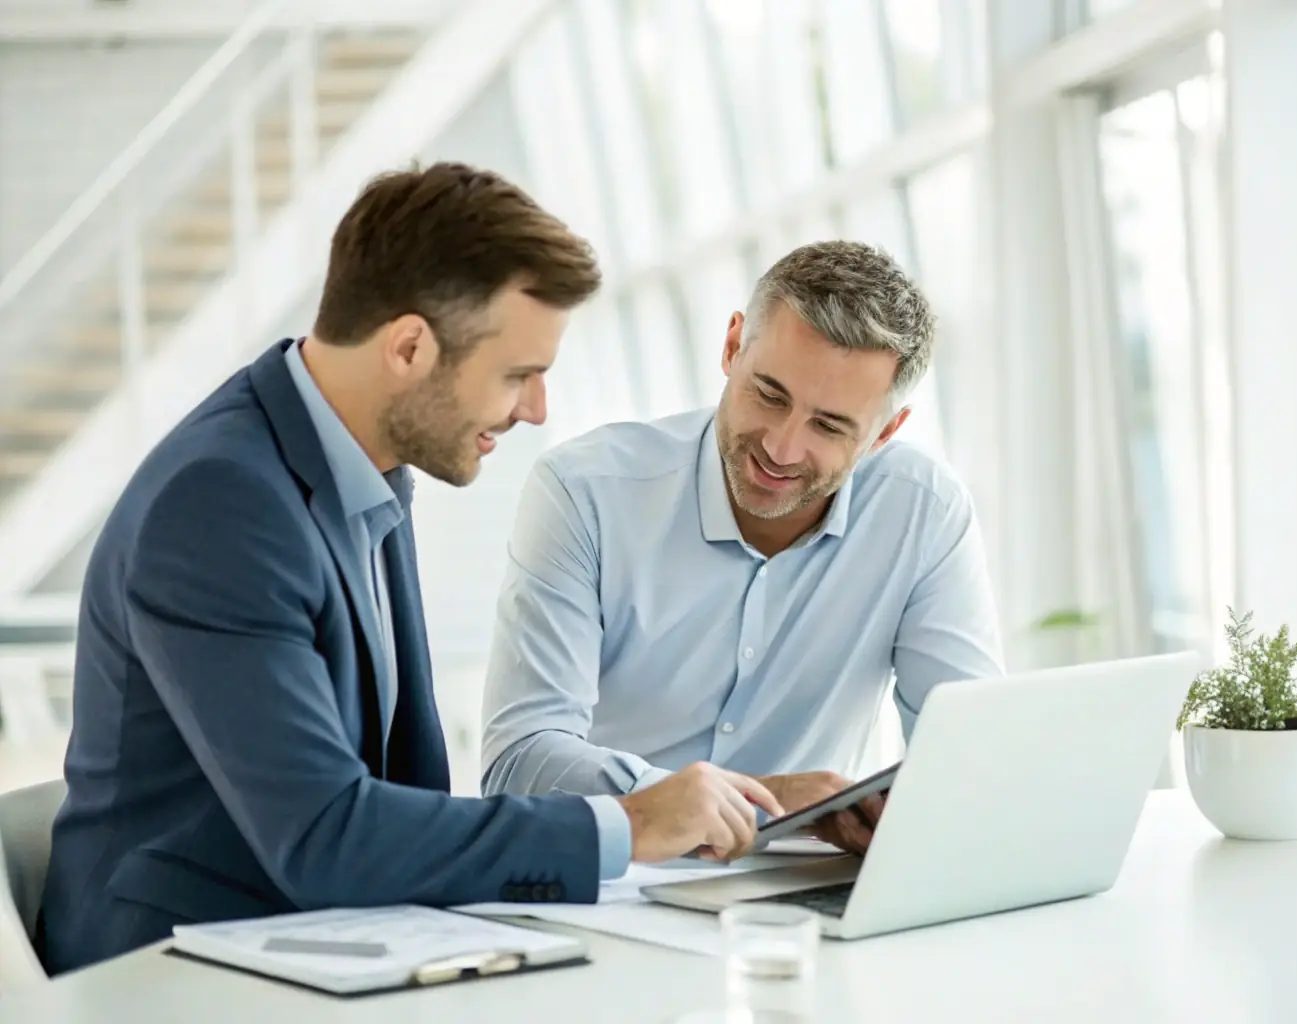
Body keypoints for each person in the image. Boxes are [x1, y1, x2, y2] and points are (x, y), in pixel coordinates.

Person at [39, 163, 781, 975]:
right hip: (167, 975)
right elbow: (325, 835)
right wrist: (628, 825)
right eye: (518, 375)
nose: (535, 410)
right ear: (409, 347)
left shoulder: (366, 463)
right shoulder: (220, 504)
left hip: (321, 941)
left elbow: (397, 789)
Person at [481, 240, 1004, 853]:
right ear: (732, 347)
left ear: (885, 432)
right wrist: (754, 800)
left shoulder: (922, 512)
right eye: (769, 395)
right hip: (620, 878)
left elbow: (970, 756)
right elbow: (518, 760)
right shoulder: (585, 492)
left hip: (800, 894)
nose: (781, 449)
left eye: (830, 426)